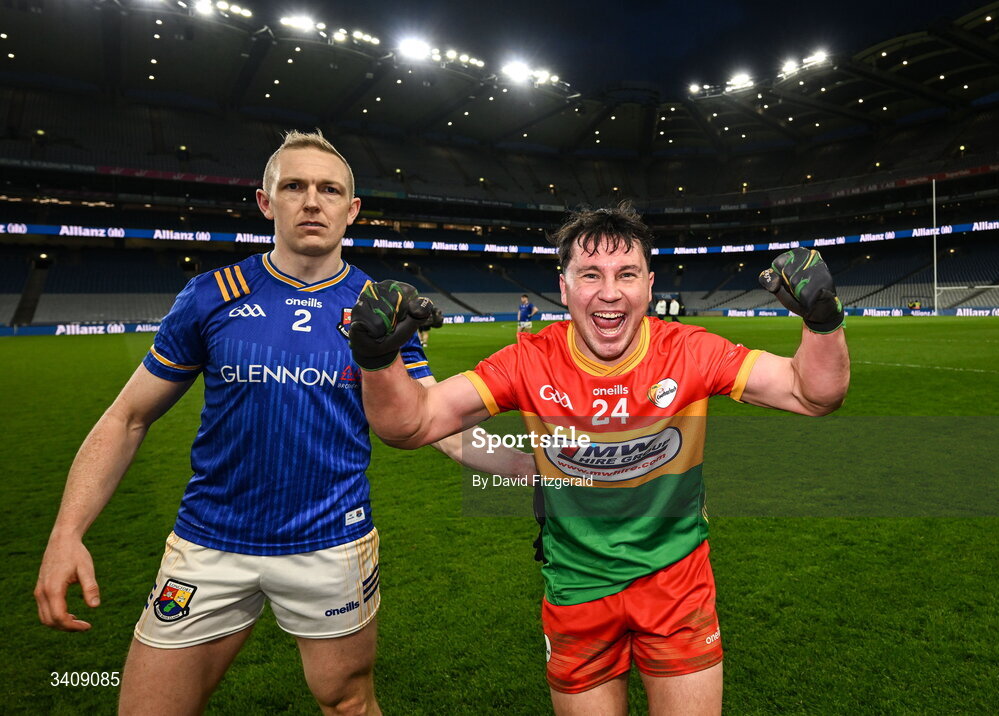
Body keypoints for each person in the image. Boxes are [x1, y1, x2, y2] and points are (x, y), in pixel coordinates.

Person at [34, 130, 533, 715]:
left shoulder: (379, 306)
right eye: (293, 186)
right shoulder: (211, 295)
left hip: (332, 545)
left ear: (352, 211)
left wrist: (537, 468)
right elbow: (128, 417)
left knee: (347, 700)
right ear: (266, 202)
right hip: (208, 543)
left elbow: (435, 423)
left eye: (329, 190)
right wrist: (67, 532)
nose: (312, 201)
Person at [348, 203, 849, 715]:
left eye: (626, 274)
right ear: (564, 287)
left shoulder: (691, 350)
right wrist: (378, 361)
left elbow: (812, 394)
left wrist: (823, 321)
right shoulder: (528, 359)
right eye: (591, 274)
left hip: (677, 583)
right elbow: (412, 424)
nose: (609, 292)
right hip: (577, 588)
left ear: (648, 286)